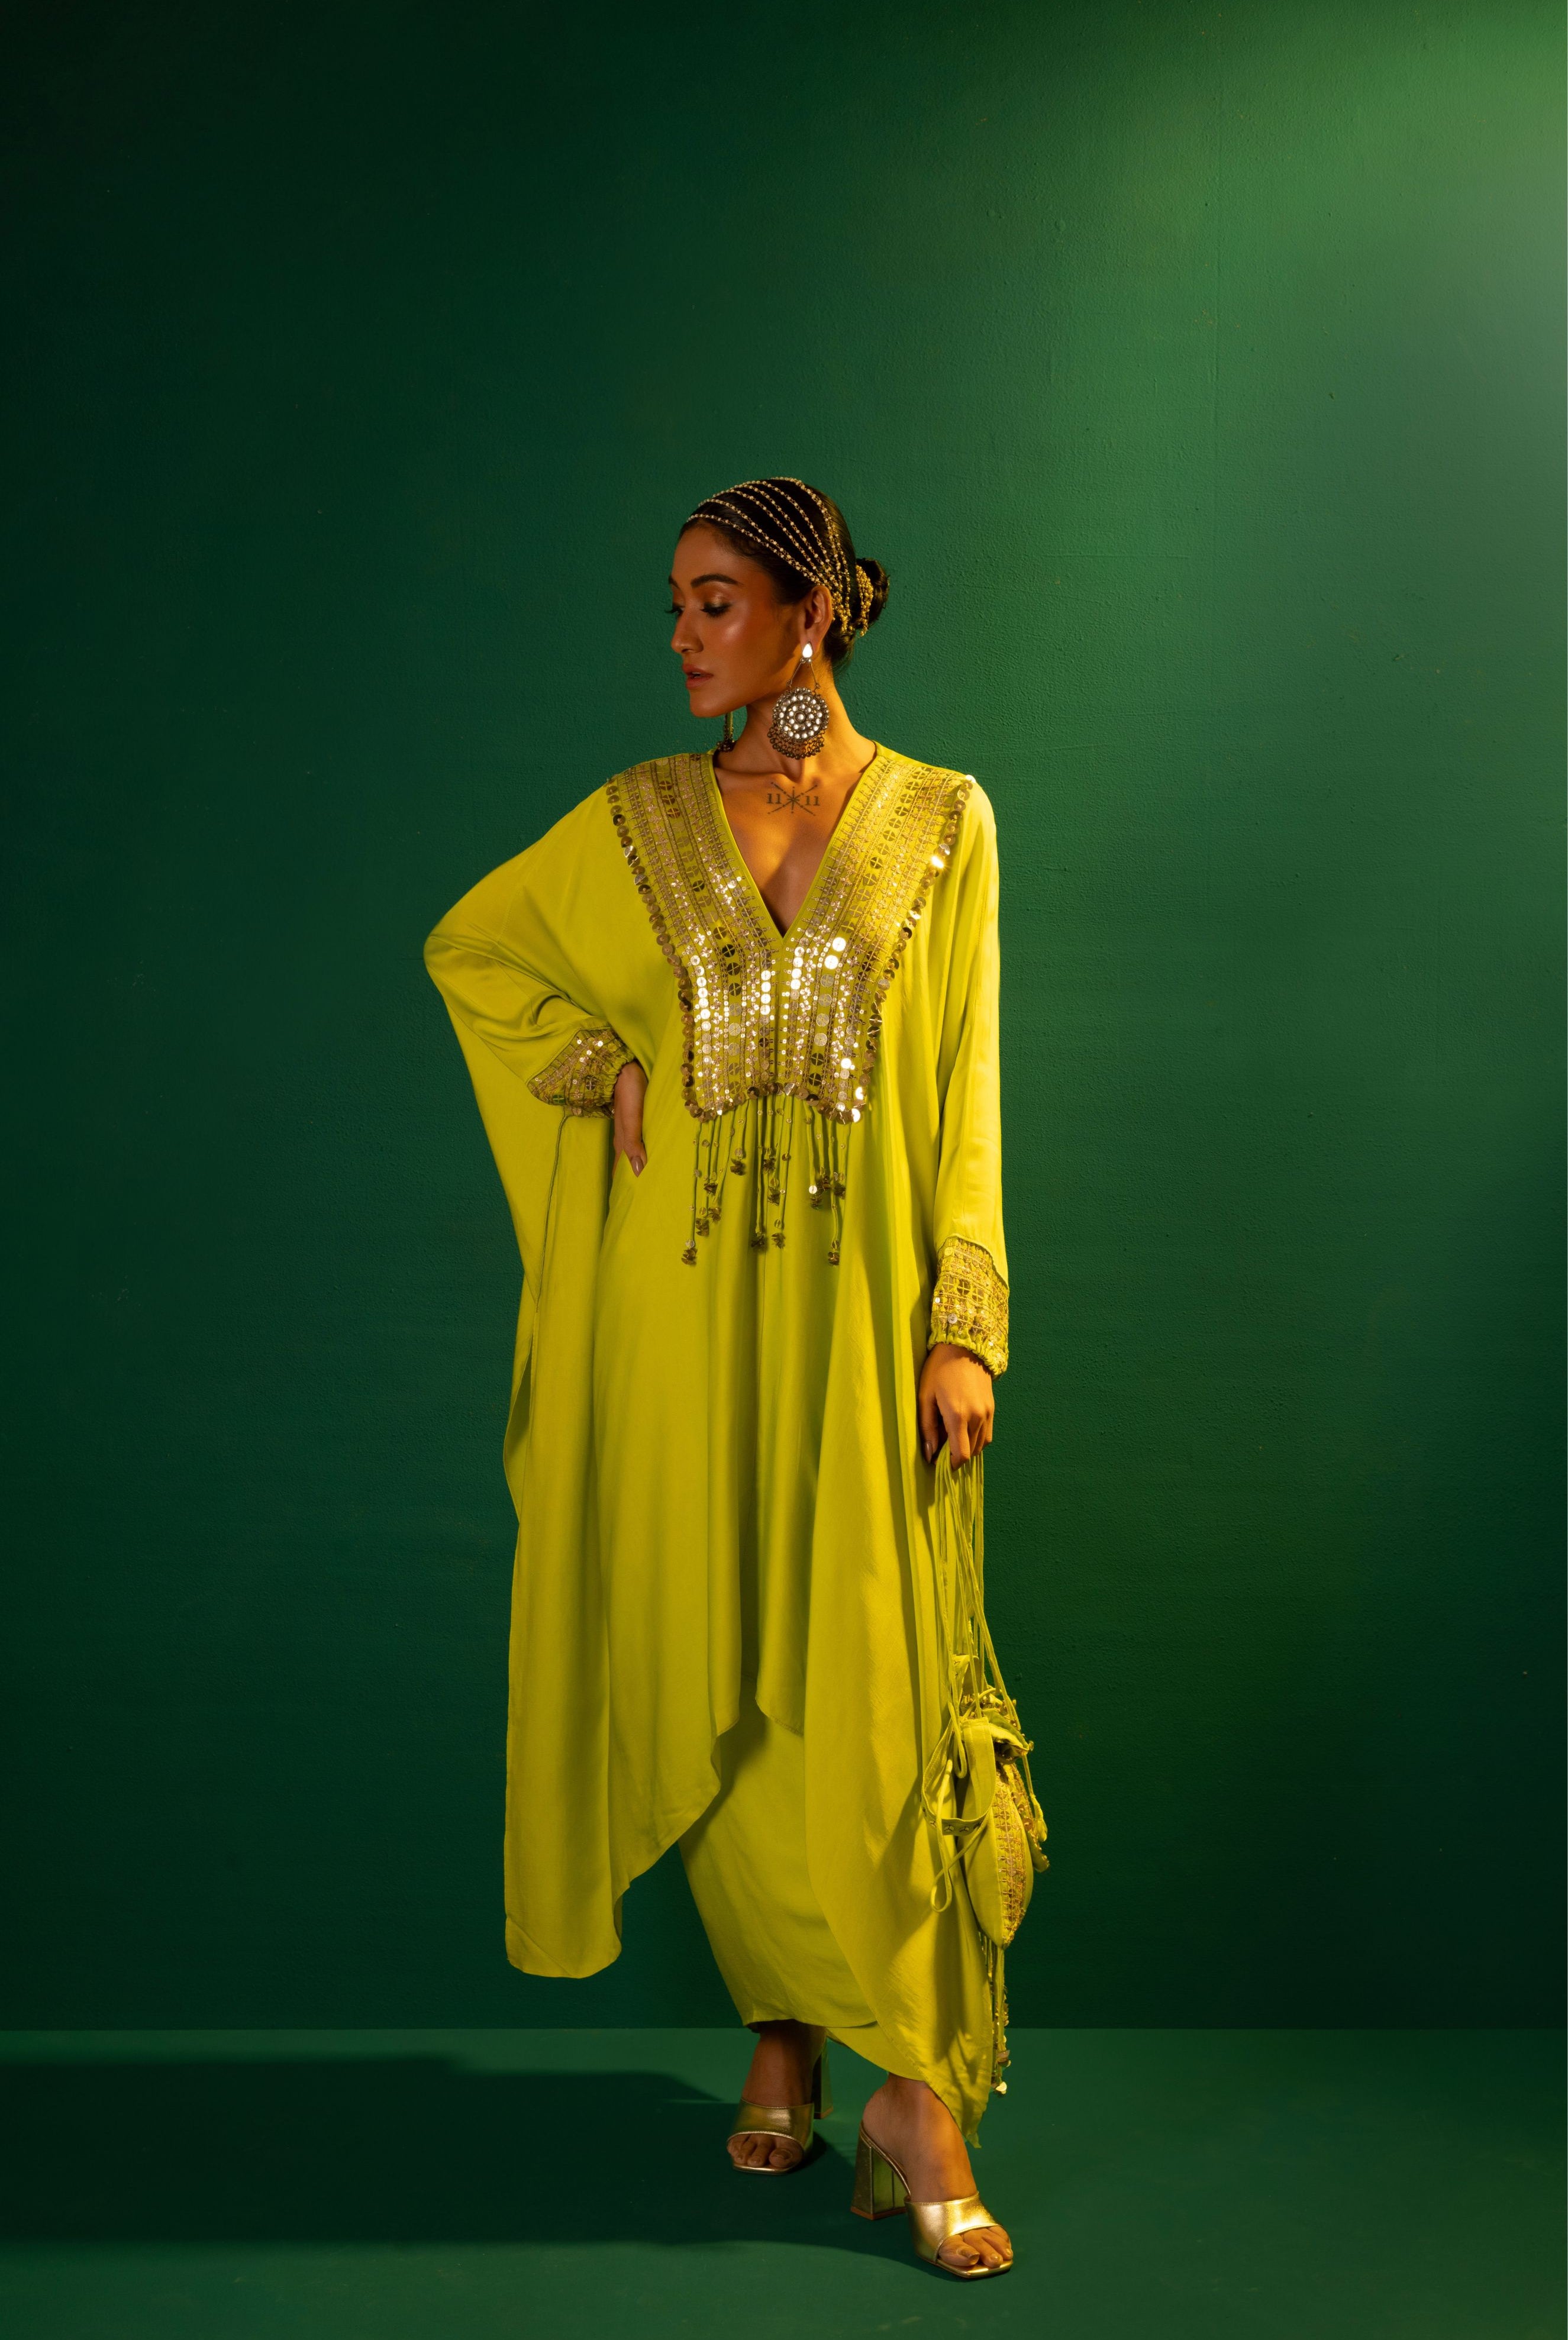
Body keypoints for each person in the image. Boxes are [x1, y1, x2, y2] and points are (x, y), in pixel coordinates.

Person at [424, 475, 1023, 2278]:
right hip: (678, 1323)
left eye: (713, 600)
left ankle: (912, 2091)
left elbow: (965, 1088)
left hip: (858, 1324)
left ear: (808, 612)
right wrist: (596, 1062)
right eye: (676, 603)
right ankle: (782, 2030)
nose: (681, 634)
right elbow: (475, 951)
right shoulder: (632, 822)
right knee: (721, 1667)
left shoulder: (941, 821)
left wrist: (962, 1319)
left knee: (865, 1695)